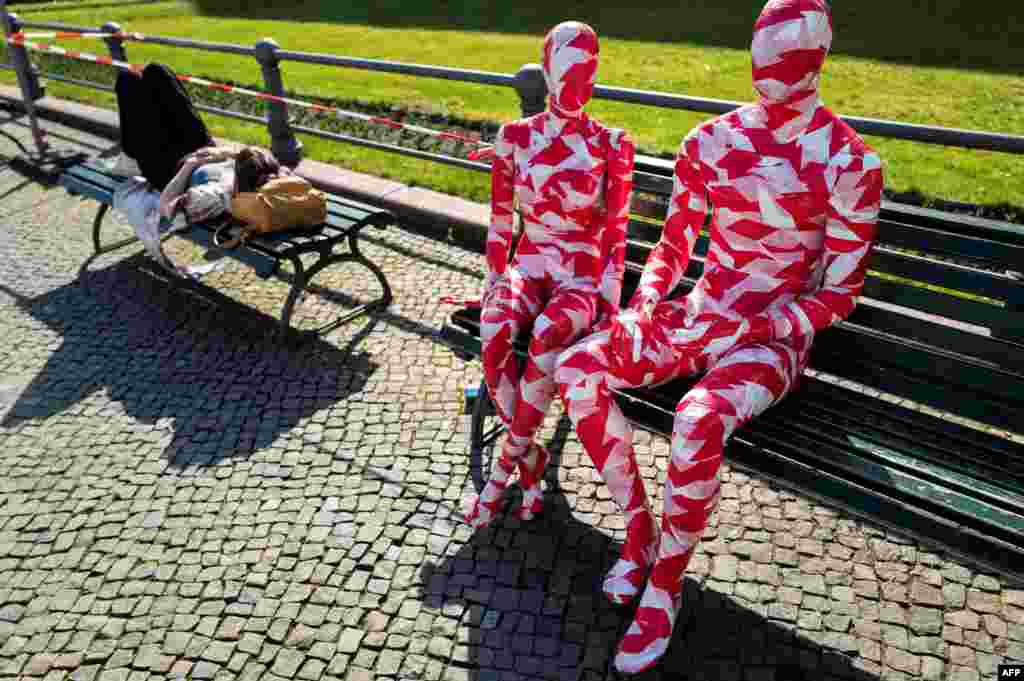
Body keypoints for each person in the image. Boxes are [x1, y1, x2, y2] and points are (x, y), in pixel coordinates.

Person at [553, 0, 883, 672]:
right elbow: (673, 248)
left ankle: (667, 586)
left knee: (696, 417)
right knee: (577, 369)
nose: (770, 71)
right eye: (764, 54)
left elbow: (839, 293)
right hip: (704, 311)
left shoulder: (850, 164)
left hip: (771, 340)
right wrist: (645, 302)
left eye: (785, 58)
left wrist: (774, 323)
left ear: (816, 59)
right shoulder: (710, 142)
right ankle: (640, 531)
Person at [463, 21, 636, 529]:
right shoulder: (516, 137)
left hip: (581, 276)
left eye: (586, 67)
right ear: (546, 69)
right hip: (531, 262)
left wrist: (609, 300)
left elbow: (616, 234)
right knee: (493, 327)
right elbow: (500, 220)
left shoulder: (611, 142)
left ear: (597, 73)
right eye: (565, 67)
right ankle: (530, 456)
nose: (575, 78)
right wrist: (495, 276)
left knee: (546, 334)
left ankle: (502, 474)